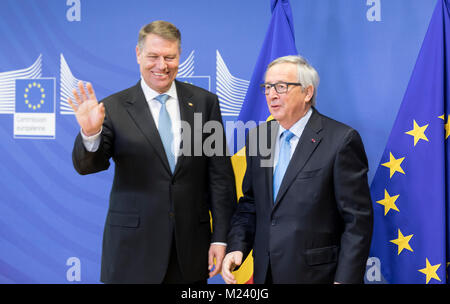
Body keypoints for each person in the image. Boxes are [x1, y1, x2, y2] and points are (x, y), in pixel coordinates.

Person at [68, 20, 236, 284]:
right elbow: (89, 165)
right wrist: (90, 134)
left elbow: (220, 178)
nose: (162, 65)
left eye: (170, 57)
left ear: (180, 56)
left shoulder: (205, 103)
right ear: (138, 54)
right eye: (153, 57)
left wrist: (221, 236)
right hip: (132, 251)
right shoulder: (113, 107)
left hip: (190, 250)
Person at [221, 55, 373, 284]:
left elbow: (357, 221)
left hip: (318, 276)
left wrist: (346, 280)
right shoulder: (259, 138)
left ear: (307, 92)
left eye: (281, 87)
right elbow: (251, 203)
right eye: (268, 87)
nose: (272, 94)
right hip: (265, 274)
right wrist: (237, 245)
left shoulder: (341, 140)